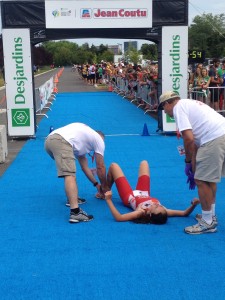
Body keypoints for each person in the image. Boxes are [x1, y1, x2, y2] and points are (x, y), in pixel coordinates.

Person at [158, 91, 225, 234]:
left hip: (213, 138)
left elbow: (188, 139)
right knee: (208, 180)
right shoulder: (188, 104)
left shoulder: (178, 109)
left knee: (202, 180)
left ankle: (208, 222)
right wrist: (192, 166)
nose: (164, 112)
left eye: (163, 108)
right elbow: (194, 144)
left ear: (168, 103)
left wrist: (188, 162)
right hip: (220, 134)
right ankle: (210, 215)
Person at [45, 122, 109, 223]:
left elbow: (84, 168)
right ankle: (75, 213)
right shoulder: (98, 139)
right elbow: (100, 167)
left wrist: (97, 185)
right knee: (70, 175)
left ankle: (72, 199)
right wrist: (105, 187)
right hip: (60, 141)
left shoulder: (82, 140)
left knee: (69, 173)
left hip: (50, 141)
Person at [102, 161, 200, 224]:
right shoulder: (164, 212)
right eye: (160, 206)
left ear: (149, 214)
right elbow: (184, 213)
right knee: (144, 163)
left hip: (128, 196)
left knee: (113, 166)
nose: (158, 205)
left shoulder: (140, 212)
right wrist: (194, 205)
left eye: (156, 207)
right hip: (144, 192)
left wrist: (109, 200)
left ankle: (104, 192)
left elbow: (119, 218)